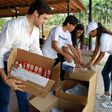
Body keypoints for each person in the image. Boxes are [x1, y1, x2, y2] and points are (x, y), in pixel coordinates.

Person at [0, 0, 52, 112]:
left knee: (23, 95)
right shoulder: (14, 25)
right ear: (36, 13)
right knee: (3, 99)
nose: (45, 22)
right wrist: (5, 79)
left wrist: (46, 65)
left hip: (20, 65)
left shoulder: (35, 30)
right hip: (3, 64)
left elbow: (35, 49)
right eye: (44, 18)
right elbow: (0, 52)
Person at [42, 15, 83, 80]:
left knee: (56, 72)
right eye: (73, 26)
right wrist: (66, 55)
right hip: (46, 54)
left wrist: (78, 59)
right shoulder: (57, 29)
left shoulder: (68, 34)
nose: (74, 28)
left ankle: (54, 85)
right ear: (68, 24)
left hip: (54, 55)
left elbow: (72, 47)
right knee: (46, 73)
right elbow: (54, 46)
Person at [85, 21, 112, 109]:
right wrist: (91, 62)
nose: (89, 35)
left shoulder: (104, 36)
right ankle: (107, 93)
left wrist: (93, 65)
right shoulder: (99, 36)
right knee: (104, 73)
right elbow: (96, 50)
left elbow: (102, 54)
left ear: (94, 31)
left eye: (89, 33)